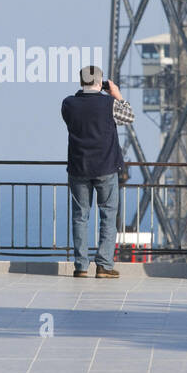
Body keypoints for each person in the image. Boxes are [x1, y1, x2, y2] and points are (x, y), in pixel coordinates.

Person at [61, 65, 135, 279]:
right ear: (100, 82)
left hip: (78, 167)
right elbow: (129, 117)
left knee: (79, 217)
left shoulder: (69, 104)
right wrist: (116, 94)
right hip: (106, 167)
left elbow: (71, 123)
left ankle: (81, 266)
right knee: (108, 216)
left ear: (80, 81)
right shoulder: (109, 103)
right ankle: (103, 265)